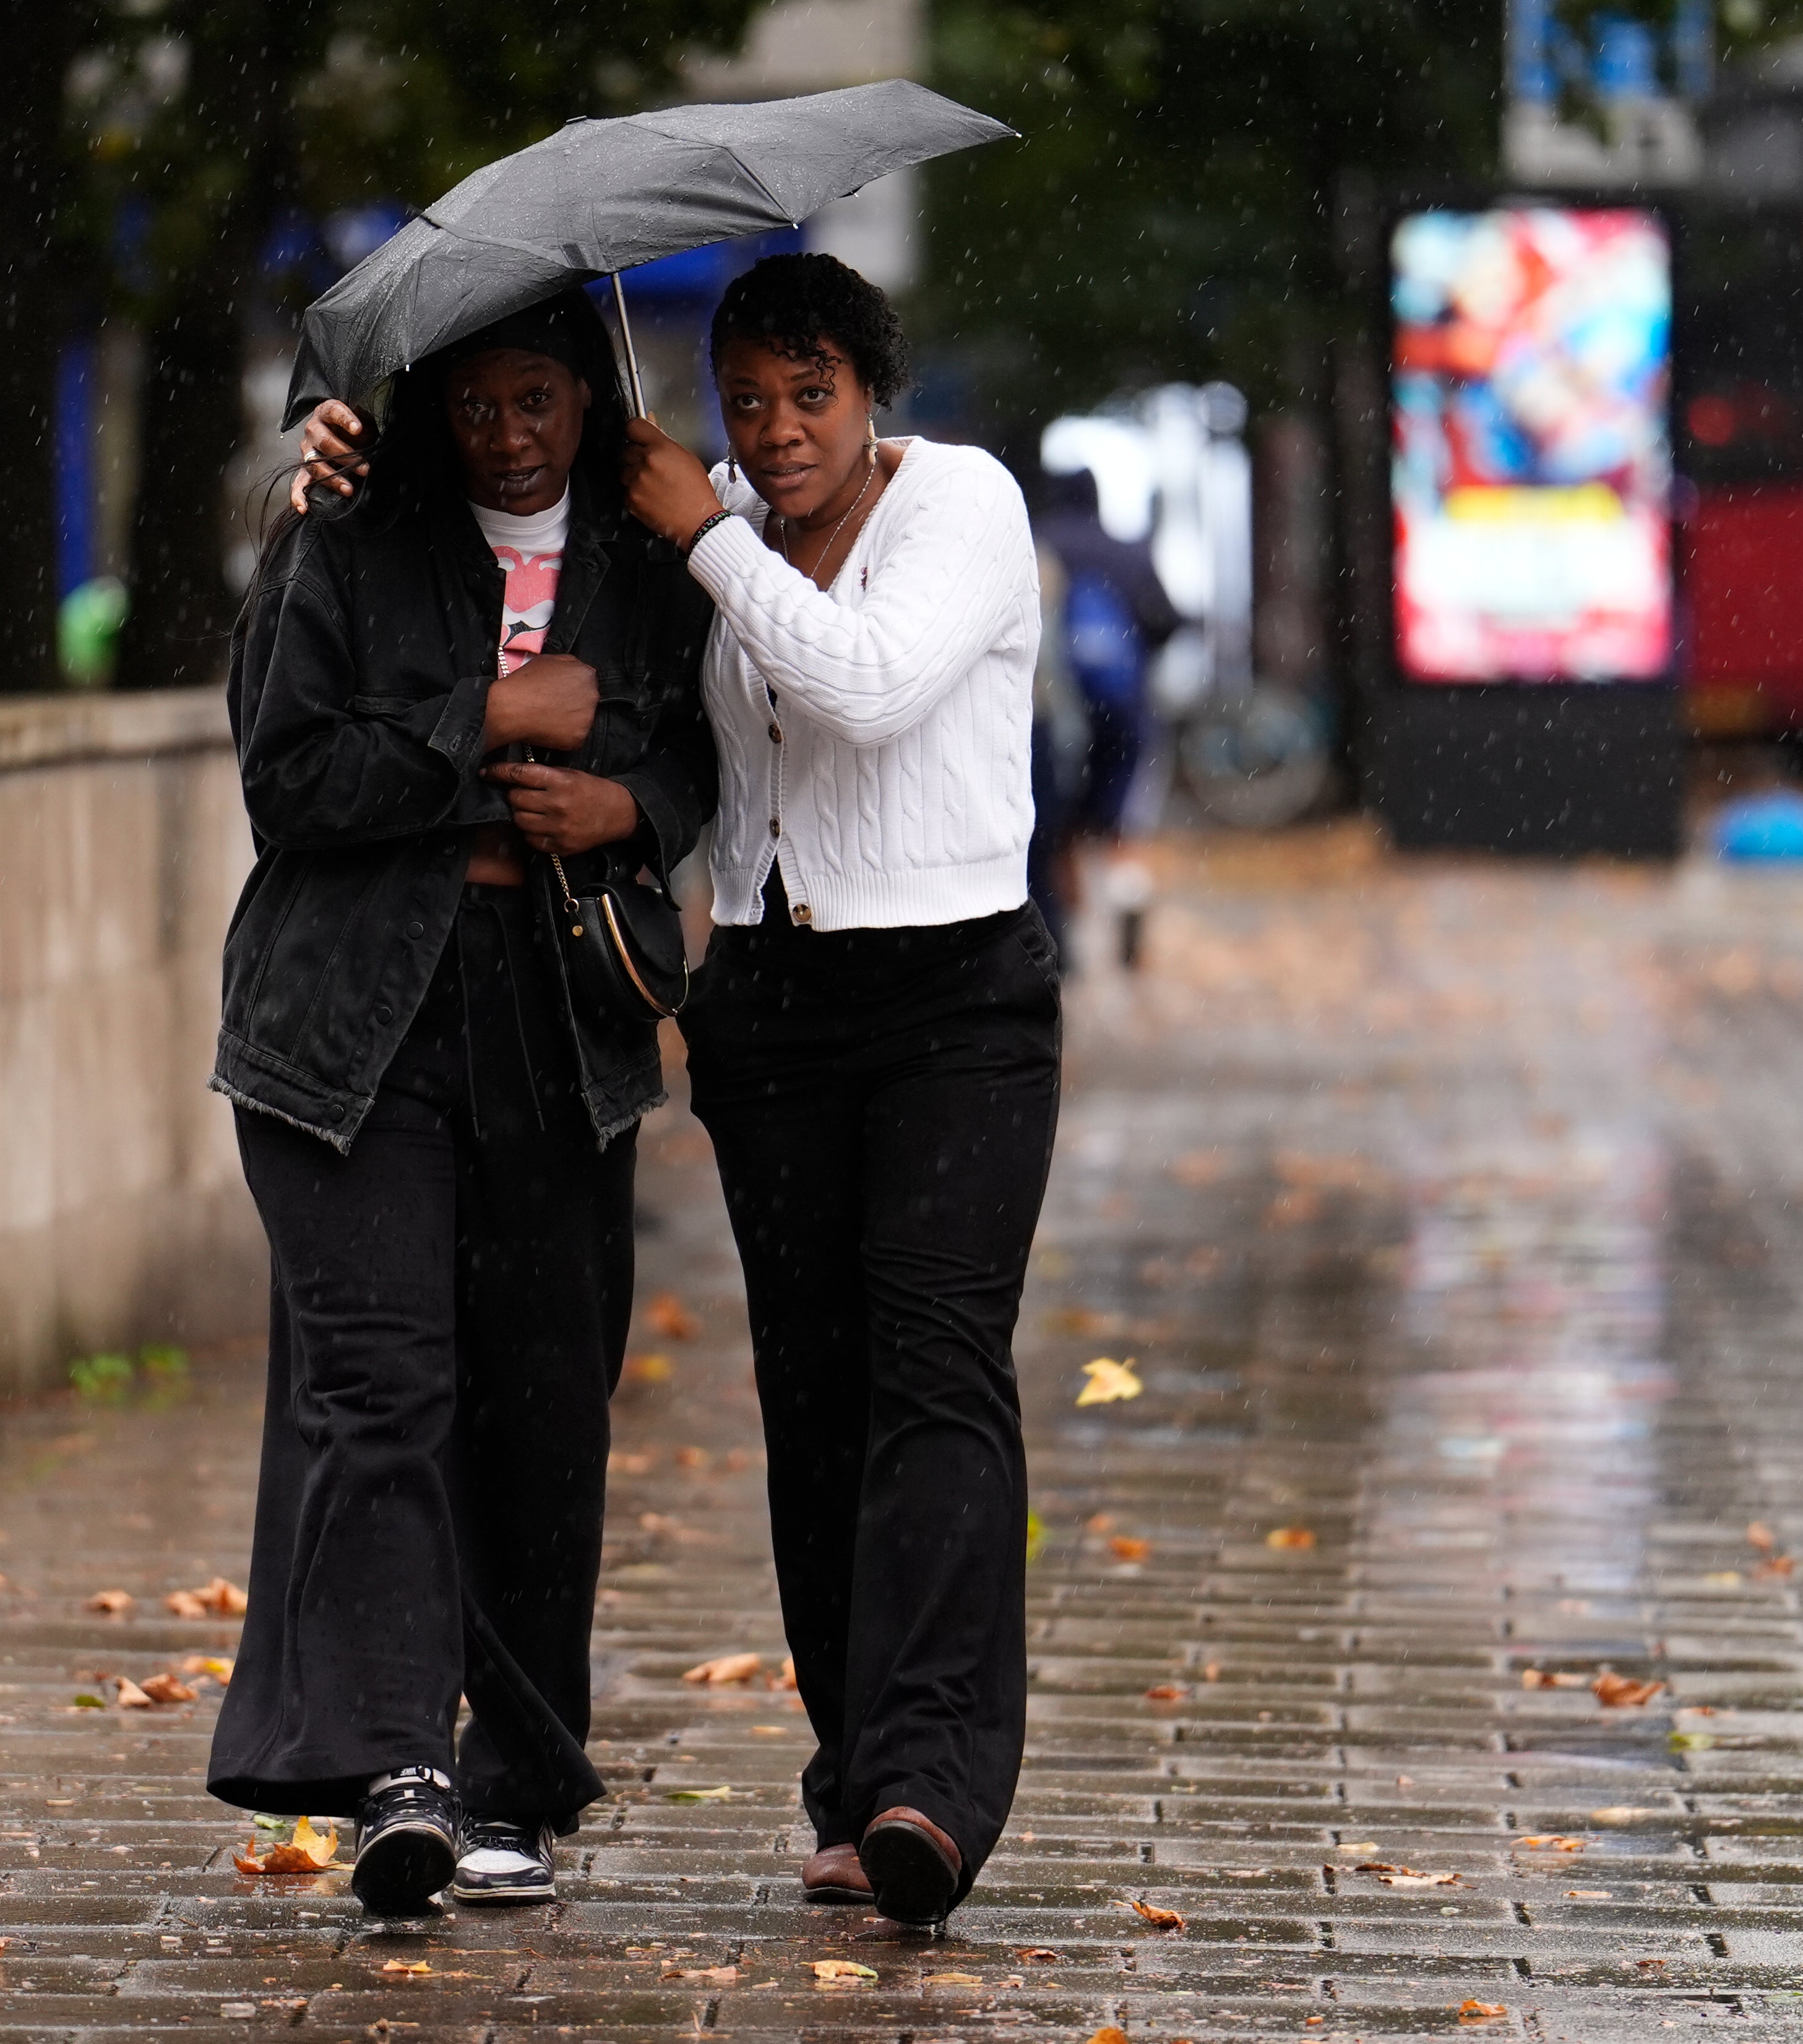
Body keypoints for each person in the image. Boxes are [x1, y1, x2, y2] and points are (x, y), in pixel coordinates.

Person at [213, 290, 716, 1919]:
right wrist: (487, 723)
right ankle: (394, 1771)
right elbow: (287, 777)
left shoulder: (644, 558)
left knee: (544, 1401)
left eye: (538, 402)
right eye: (477, 405)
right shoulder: (352, 525)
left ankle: (514, 1774)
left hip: (554, 1020)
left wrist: (621, 799)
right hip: (350, 1017)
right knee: (384, 1388)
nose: (507, 437)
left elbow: (701, 764)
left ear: (589, 396)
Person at [621, 252, 1059, 1928]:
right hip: (779, 1004)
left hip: (958, 998)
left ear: (871, 390)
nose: (776, 428)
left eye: (810, 393)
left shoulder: (961, 504)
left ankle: (932, 1787)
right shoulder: (705, 514)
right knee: (816, 1394)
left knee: (937, 1372)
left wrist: (709, 532)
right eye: (747, 400)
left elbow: (865, 689)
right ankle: (851, 1766)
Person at [1035, 465, 1182, 840]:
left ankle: (1067, 883)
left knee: (1057, 802)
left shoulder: (1040, 545)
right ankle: (1119, 873)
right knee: (1118, 791)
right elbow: (1164, 619)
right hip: (1122, 700)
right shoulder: (1126, 551)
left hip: (1057, 702)